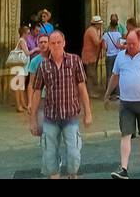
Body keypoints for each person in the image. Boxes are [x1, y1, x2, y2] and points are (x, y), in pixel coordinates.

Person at [28, 29, 92, 179]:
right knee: (49, 155)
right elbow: (37, 92)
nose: (56, 45)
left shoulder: (74, 60)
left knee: (74, 153)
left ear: (64, 43)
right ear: (49, 45)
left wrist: (88, 112)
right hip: (51, 117)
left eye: (58, 42)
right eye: (53, 43)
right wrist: (32, 119)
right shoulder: (43, 66)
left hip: (70, 116)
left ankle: (72, 174)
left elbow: (82, 87)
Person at [106, 30, 140, 179]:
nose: (130, 46)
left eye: (133, 43)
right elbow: (115, 76)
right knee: (126, 134)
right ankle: (124, 168)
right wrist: (107, 94)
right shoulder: (121, 56)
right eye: (128, 43)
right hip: (126, 102)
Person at [8, 24, 32, 112]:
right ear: (24, 34)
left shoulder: (24, 41)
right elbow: (27, 53)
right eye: (28, 33)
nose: (29, 35)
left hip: (23, 67)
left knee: (21, 86)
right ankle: (19, 105)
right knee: (18, 86)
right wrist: (36, 49)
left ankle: (23, 103)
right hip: (20, 67)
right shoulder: (22, 41)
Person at [82, 16, 104, 93]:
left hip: (92, 56)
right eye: (99, 24)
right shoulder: (92, 31)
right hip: (89, 56)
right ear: (96, 24)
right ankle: (90, 92)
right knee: (91, 75)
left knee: (92, 73)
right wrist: (103, 38)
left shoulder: (93, 30)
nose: (100, 26)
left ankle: (91, 91)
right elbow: (96, 42)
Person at [102, 16, 125, 84]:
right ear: (116, 26)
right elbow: (119, 45)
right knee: (117, 74)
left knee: (109, 75)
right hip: (117, 56)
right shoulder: (118, 34)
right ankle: (117, 90)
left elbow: (104, 47)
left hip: (109, 56)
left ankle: (109, 91)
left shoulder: (105, 35)